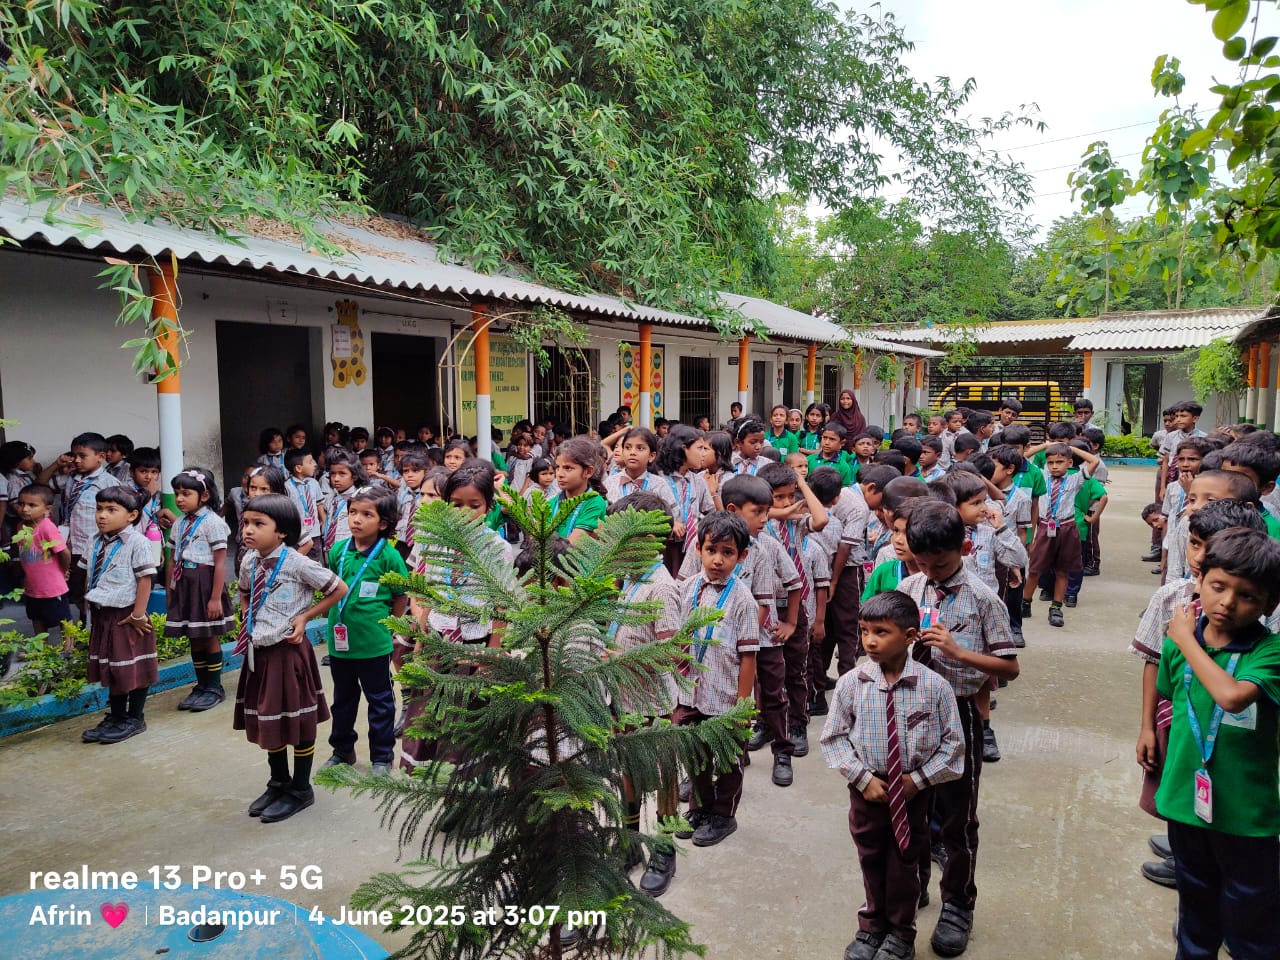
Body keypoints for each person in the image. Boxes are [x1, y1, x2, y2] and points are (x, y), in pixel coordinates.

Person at [895, 500, 1019, 957]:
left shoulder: (983, 598)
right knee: (910, 810)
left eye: (939, 563)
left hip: (959, 714)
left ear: (964, 547)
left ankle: (958, 904)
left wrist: (958, 652)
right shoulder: (910, 586)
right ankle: (914, 888)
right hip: (910, 713)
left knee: (957, 818)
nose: (929, 571)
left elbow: (1010, 668)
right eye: (920, 561)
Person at [1156, 528, 1280, 959]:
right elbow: (1171, 696)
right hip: (1186, 802)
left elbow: (1231, 695)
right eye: (1218, 586)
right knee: (1195, 907)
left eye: (1247, 595)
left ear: (1270, 604)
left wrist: (1187, 640)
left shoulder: (1270, 652)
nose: (1227, 603)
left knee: (1252, 917)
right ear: (1200, 582)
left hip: (1246, 814)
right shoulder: (1178, 650)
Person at [821, 591, 965, 960]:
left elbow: (953, 746)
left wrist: (917, 781)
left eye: (881, 632)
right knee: (870, 856)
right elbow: (833, 738)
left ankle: (901, 933)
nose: (870, 640)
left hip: (912, 791)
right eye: (865, 630)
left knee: (903, 860)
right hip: (866, 787)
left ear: (911, 635)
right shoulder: (852, 683)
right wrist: (861, 778)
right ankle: (872, 925)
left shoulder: (934, 687)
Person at [1132, 500, 1267, 889]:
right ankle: (1183, 856)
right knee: (1176, 793)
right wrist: (1145, 727)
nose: (1201, 557)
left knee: (1230, 819)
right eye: (1194, 544)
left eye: (1212, 547)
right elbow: (1153, 663)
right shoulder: (1171, 598)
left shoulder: (1257, 612)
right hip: (1178, 723)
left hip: (1236, 735)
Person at [235, 493, 346, 823]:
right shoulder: (248, 562)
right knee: (270, 717)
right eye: (246, 523)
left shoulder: (298, 563)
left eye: (258, 524)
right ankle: (278, 782)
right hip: (260, 653)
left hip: (288, 654)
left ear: (281, 531)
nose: (248, 531)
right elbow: (243, 590)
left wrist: (306, 617)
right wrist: (246, 614)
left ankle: (301, 788)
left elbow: (338, 588)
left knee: (297, 719)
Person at [604, 492, 684, 896]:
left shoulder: (661, 588)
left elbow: (670, 653)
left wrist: (617, 656)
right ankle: (630, 840)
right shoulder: (630, 581)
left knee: (663, 775)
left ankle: (664, 847)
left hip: (653, 700)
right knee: (628, 771)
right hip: (622, 697)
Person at [671, 511, 759, 847]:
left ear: (741, 556)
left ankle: (723, 815)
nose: (718, 560)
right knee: (694, 755)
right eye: (712, 550)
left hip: (723, 697)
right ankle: (700, 808)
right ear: (698, 549)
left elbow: (749, 655)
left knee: (725, 759)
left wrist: (743, 704)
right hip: (690, 693)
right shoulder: (688, 588)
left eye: (728, 552)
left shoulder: (742, 600)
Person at [322, 486, 408, 777]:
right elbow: (333, 587)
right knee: (343, 699)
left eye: (366, 514)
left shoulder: (389, 556)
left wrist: (389, 626)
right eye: (352, 513)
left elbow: (400, 595)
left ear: (383, 522)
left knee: (380, 700)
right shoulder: (337, 551)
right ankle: (342, 749)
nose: (356, 519)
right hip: (340, 642)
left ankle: (382, 756)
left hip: (374, 643)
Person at [80, 487, 159, 744]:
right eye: (99, 509)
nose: (102, 515)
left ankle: (135, 717)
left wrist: (138, 614)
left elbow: (145, 579)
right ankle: (116, 716)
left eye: (111, 510)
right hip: (104, 614)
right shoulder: (94, 540)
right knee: (114, 667)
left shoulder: (138, 543)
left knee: (133, 666)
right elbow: (87, 573)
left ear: (132, 515)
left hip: (128, 615)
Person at [165, 468, 236, 712]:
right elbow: (172, 559)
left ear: (204, 496)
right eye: (177, 494)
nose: (180, 499)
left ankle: (214, 687)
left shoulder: (213, 523)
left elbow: (219, 562)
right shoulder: (180, 524)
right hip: (185, 583)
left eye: (186, 493)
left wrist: (215, 598)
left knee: (208, 636)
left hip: (204, 583)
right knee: (193, 636)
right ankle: (201, 684)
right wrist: (170, 591)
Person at [1021, 442, 1101, 628]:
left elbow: (1093, 460)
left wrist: (1069, 447)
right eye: (1051, 462)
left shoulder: (1075, 479)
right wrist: (1046, 445)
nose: (1055, 466)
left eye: (1060, 462)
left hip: (1066, 528)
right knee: (1034, 569)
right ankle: (1026, 603)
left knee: (1063, 570)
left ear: (1069, 462)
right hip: (1044, 528)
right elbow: (1023, 457)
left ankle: (1056, 608)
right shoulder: (1041, 475)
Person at [51, 432, 122, 621]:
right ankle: (86, 626)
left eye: (82, 456)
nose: (77, 460)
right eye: (74, 455)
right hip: (70, 546)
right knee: (77, 592)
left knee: (93, 590)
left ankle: (94, 630)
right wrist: (58, 465)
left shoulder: (109, 484)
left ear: (100, 457)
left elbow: (118, 518)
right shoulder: (71, 479)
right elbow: (41, 484)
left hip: (94, 547)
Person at [14, 483, 71, 636]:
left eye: (32, 505)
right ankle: (42, 650)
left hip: (52, 586)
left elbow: (64, 552)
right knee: (36, 617)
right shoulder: (21, 526)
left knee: (63, 619)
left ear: (47, 509)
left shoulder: (46, 527)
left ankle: (68, 651)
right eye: (21, 504)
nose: (25, 509)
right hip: (32, 585)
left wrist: (64, 570)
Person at [655, 425, 714, 573]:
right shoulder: (658, 479)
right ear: (683, 449)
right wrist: (670, 522)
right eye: (700, 448)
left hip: (691, 546)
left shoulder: (698, 481)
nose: (704, 454)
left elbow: (710, 512)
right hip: (664, 547)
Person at [550, 437, 608, 543]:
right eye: (557, 467)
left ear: (588, 472)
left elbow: (573, 545)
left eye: (568, 468)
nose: (559, 474)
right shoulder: (552, 503)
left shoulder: (594, 502)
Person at [321, 453, 366, 558]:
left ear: (354, 476)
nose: (336, 478)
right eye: (333, 474)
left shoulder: (361, 499)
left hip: (349, 551)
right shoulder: (332, 498)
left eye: (342, 474)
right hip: (330, 549)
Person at [284, 447, 325, 561]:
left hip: (314, 531)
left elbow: (319, 503)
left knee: (314, 559)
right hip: (297, 533)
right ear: (298, 468)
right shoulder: (287, 486)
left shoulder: (314, 483)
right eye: (310, 462)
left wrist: (323, 520)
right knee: (298, 557)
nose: (314, 465)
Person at [809, 422, 856, 487]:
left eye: (832, 439)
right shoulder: (809, 460)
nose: (827, 442)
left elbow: (844, 491)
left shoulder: (844, 467)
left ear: (842, 443)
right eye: (824, 438)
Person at [832, 389, 868, 453]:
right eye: (842, 399)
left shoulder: (860, 418)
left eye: (848, 398)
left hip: (856, 451)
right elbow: (831, 433)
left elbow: (862, 436)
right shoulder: (836, 416)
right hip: (838, 451)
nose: (845, 401)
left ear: (853, 400)